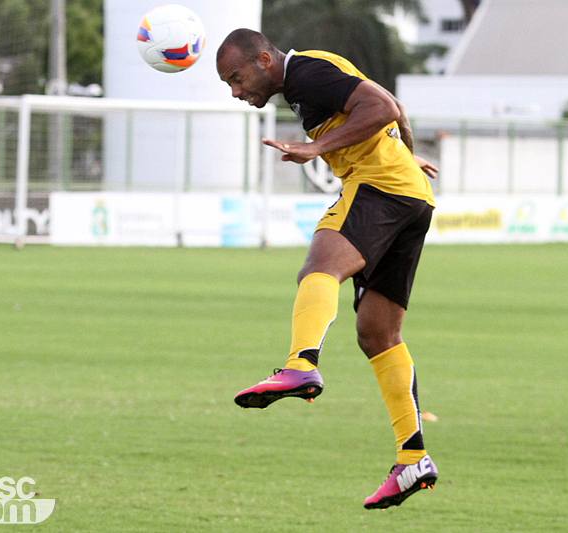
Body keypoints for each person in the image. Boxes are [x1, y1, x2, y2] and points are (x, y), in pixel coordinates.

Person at [216, 29, 439, 510]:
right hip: (410, 196)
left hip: (379, 187)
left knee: (318, 268)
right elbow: (393, 107)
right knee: (378, 334)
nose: (235, 91)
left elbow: (382, 107)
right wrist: (406, 154)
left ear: (263, 59)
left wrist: (316, 149)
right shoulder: (308, 77)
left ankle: (301, 366)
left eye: (236, 78)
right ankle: (413, 457)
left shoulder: (305, 73)